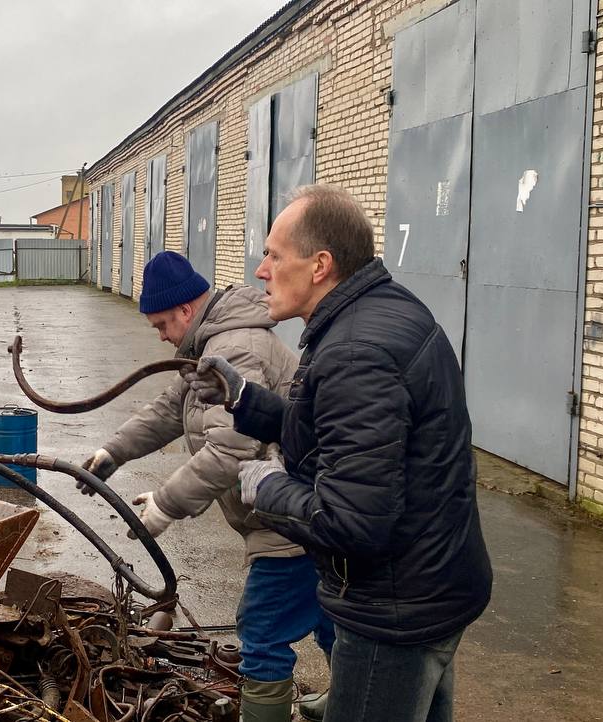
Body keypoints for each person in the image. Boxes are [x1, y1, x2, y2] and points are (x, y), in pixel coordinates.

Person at [184, 185, 492, 722]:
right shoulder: (377, 312)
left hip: (393, 612)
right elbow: (339, 433)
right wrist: (245, 399)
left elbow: (353, 521)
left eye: (274, 255)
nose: (261, 271)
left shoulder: (353, 352)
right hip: (433, 584)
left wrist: (269, 487)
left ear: (320, 265)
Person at [81, 250, 334, 722]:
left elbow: (232, 450)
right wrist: (114, 451)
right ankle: (350, 696)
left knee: (261, 631)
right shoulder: (207, 344)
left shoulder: (235, 348)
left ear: (185, 309)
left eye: (162, 324)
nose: (160, 335)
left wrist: (165, 505)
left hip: (291, 519)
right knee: (328, 611)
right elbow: (168, 409)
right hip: (292, 511)